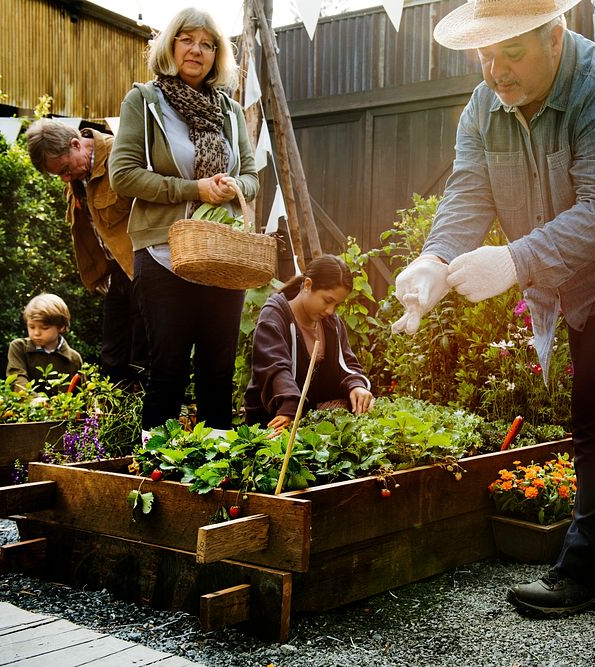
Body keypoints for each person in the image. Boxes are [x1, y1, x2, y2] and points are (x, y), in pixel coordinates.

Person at [392, 0, 595, 618]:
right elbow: (469, 189)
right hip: (583, 276)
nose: (496, 72)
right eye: (485, 56)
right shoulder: (484, 106)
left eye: (511, 53)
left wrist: (514, 262)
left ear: (554, 36)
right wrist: (434, 261)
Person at [108, 7, 259, 431]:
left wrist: (234, 187)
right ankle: (152, 482)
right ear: (170, 44)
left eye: (208, 44)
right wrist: (194, 189)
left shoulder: (228, 111)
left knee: (218, 375)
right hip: (162, 252)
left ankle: (217, 484)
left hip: (221, 254)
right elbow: (123, 175)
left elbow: (251, 175)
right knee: (168, 372)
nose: (198, 50)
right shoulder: (144, 101)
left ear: (217, 55)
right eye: (187, 39)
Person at [25, 119, 145, 387]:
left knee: (142, 356)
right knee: (112, 359)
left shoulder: (121, 153)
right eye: (60, 175)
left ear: (76, 143)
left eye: (66, 169)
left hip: (142, 265)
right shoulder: (78, 175)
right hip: (118, 272)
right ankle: (118, 422)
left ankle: (148, 424)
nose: (66, 178)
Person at [244, 255, 374, 431]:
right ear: (307, 285)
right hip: (273, 417)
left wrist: (356, 385)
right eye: (327, 301)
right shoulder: (274, 317)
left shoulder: (331, 324)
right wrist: (290, 408)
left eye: (337, 305)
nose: (330, 311)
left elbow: (346, 363)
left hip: (310, 419)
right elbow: (275, 368)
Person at [7, 293, 83, 395]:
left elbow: (80, 394)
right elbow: (17, 379)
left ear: (61, 327)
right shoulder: (19, 347)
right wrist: (35, 400)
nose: (36, 333)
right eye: (32, 327)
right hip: (26, 408)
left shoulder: (74, 359)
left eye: (44, 328)